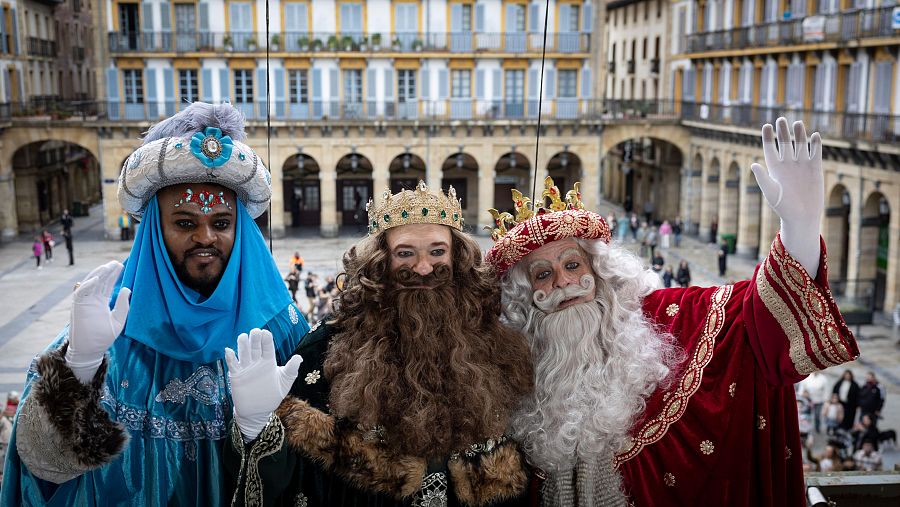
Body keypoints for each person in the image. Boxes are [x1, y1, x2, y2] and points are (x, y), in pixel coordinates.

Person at [486, 119, 859, 506]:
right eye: (543, 274)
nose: (563, 282)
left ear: (599, 271)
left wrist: (799, 226)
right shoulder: (509, 363)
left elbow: (755, 316)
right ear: (525, 295)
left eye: (573, 265)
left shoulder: (669, 319)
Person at [1, 102, 309, 506]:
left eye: (220, 223)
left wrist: (259, 430)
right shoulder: (106, 333)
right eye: (184, 223)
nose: (205, 237)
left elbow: (318, 473)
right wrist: (77, 371)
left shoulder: (282, 329)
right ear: (154, 230)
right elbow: (43, 470)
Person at [224, 182, 535, 506]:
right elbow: (293, 478)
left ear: (458, 257)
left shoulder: (497, 347)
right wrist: (255, 426)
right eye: (405, 253)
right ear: (380, 261)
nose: (424, 267)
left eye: (437, 251)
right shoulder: (325, 349)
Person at [0, 391, 19, 488]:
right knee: (7, 459)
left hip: (10, 440)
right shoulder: (14, 411)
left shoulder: (8, 412)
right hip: (7, 441)